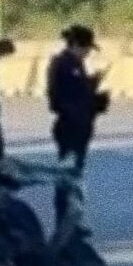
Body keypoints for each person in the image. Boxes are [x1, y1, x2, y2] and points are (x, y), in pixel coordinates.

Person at [47, 24, 108, 221]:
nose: (88, 53)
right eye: (86, 48)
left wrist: (94, 90)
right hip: (69, 127)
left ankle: (72, 218)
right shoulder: (61, 64)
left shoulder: (76, 65)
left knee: (75, 174)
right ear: (75, 45)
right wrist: (81, 106)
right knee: (68, 174)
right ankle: (65, 217)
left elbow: (80, 92)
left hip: (81, 126)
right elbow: (57, 99)